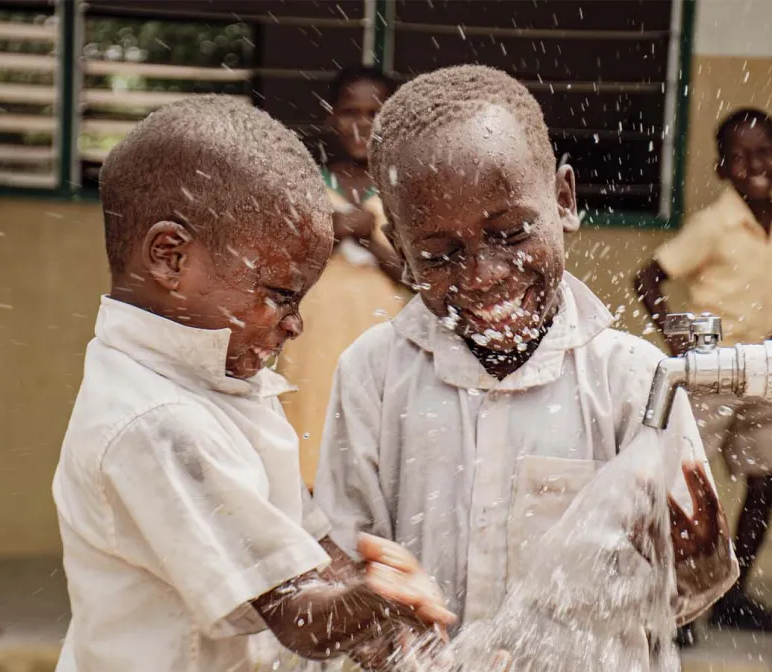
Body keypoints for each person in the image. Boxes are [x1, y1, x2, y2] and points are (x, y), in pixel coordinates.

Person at [313, 65, 738, 666]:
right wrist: (376, 618)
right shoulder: (372, 375)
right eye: (440, 254)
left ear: (564, 200)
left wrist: (696, 571)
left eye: (511, 233)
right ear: (403, 253)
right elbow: (348, 568)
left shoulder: (637, 381)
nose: (482, 275)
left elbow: (672, 601)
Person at [51, 95, 455, 672]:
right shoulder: (158, 423)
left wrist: (376, 610)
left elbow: (309, 555)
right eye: (280, 295)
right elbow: (298, 617)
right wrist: (380, 600)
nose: (295, 325)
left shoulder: (220, 381)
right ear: (170, 257)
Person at [634, 108, 772, 634]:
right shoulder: (713, 225)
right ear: (721, 168)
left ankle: (733, 596)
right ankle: (679, 602)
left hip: (765, 365)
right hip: (713, 367)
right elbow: (647, 278)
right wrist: (677, 341)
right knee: (689, 483)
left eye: (764, 152)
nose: (754, 164)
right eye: (739, 156)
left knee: (768, 478)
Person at [278, 66, 407, 488]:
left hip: (382, 334)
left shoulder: (404, 186)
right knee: (310, 421)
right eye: (351, 112)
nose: (362, 124)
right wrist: (330, 235)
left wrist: (370, 240)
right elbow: (284, 270)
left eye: (374, 113)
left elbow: (418, 278)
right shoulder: (308, 185)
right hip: (315, 334)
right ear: (331, 116)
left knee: (377, 429)